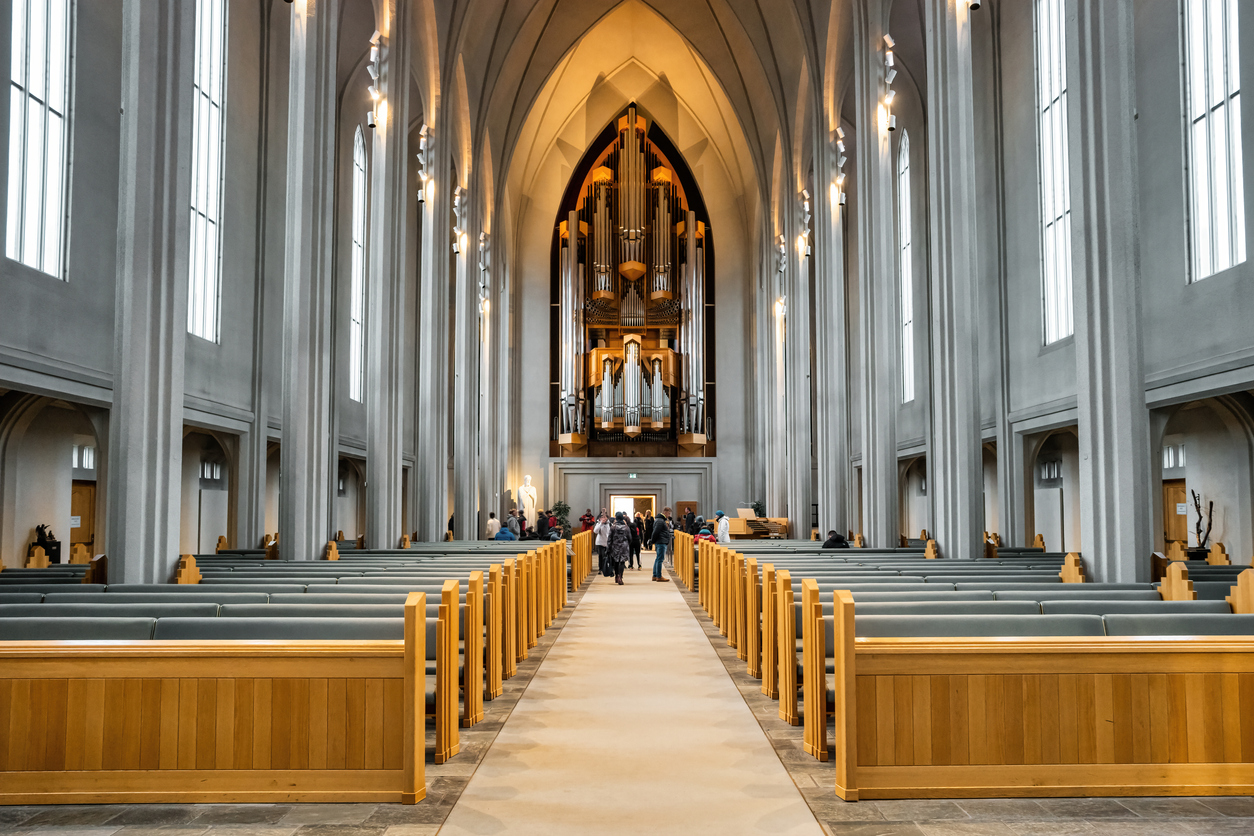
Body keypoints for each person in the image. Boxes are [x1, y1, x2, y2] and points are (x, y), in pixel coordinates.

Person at [607, 511, 632, 585]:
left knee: (616, 561)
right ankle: (620, 576)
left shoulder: (613, 527)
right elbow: (630, 538)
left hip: (615, 546)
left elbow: (609, 539)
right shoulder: (626, 527)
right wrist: (627, 544)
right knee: (622, 561)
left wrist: (608, 548)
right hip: (624, 546)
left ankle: (616, 576)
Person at [651, 507, 673, 581]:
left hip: (660, 541)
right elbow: (656, 531)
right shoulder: (660, 521)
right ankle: (659, 576)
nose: (669, 515)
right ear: (665, 512)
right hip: (661, 541)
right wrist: (652, 540)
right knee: (660, 559)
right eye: (669, 513)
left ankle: (655, 575)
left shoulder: (659, 520)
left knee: (658, 558)